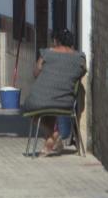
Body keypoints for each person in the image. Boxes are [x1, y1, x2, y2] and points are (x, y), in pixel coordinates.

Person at [23, 28, 86, 156]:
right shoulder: (80, 58)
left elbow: (36, 73)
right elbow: (82, 72)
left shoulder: (47, 53)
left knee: (31, 109)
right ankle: (52, 139)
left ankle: (53, 135)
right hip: (66, 103)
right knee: (50, 108)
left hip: (38, 101)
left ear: (56, 41)